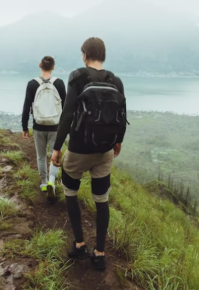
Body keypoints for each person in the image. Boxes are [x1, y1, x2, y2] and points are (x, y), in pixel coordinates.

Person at [51, 37, 127, 271]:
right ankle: (100, 253)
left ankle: (80, 244)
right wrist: (118, 142)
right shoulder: (116, 80)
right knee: (101, 199)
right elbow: (122, 114)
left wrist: (57, 147)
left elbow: (67, 115)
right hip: (104, 151)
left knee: (70, 191)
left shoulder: (78, 77)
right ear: (103, 56)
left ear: (84, 54)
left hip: (79, 150)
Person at [21, 56, 67, 202]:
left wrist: (24, 127)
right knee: (55, 155)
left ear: (40, 65)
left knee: (41, 156)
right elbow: (66, 108)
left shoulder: (32, 84)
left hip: (38, 126)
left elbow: (27, 106)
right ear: (53, 67)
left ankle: (43, 183)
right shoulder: (59, 83)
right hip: (55, 127)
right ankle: (51, 182)